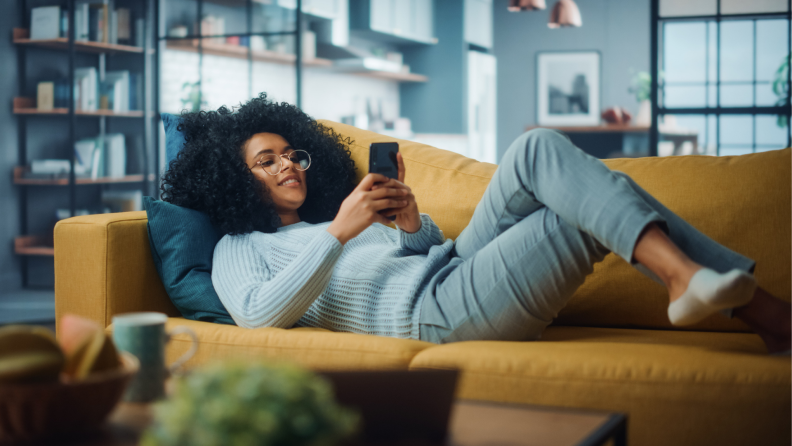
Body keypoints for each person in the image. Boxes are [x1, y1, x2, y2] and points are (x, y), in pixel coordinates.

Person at [162, 94, 790, 354]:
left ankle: (708, 288)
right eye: (264, 161)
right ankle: (752, 306)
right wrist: (340, 233)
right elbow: (258, 314)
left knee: (537, 150)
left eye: (291, 154)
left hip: (452, 265)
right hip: (436, 313)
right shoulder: (241, 247)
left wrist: (411, 225)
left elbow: (419, 255)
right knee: (579, 220)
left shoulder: (338, 213)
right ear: (232, 178)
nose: (286, 166)